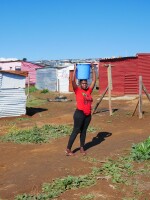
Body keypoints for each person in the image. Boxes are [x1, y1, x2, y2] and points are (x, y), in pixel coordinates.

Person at [65, 63, 96, 156]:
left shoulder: (89, 91)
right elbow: (72, 80)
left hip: (87, 115)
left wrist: (93, 69)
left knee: (84, 131)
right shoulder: (77, 90)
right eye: (83, 83)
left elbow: (94, 80)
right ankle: (68, 149)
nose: (85, 84)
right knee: (76, 130)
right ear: (80, 84)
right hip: (79, 114)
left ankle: (82, 147)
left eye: (86, 83)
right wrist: (75, 69)